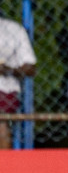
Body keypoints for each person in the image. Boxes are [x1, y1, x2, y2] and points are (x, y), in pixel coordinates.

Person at [0, 14, 36, 148]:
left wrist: (6, 70)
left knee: (1, 123)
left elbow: (30, 67)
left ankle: (3, 166)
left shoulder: (12, 29)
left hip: (4, 89)